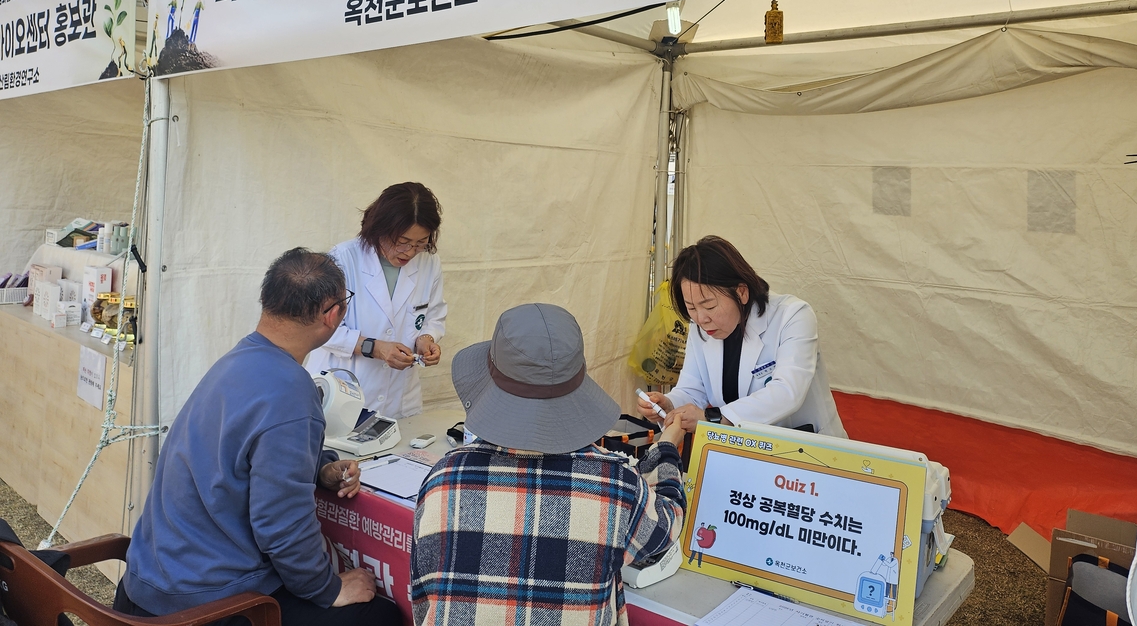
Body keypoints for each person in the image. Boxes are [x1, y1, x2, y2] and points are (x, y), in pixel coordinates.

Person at [116, 248, 398, 626]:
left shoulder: (237, 360)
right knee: (382, 615)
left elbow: (241, 453)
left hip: (148, 582)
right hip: (203, 603)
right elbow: (281, 527)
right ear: (333, 314)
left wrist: (318, 468)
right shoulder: (291, 390)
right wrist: (329, 589)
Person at [411, 303, 687, 626]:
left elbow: (423, 601)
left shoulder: (443, 478)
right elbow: (669, 525)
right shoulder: (616, 484)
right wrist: (666, 448)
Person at [636, 235, 847, 437]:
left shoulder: (793, 315)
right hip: (742, 447)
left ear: (741, 292)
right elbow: (692, 389)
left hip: (805, 446)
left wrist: (713, 419)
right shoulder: (700, 326)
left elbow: (787, 392)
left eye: (709, 306)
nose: (701, 318)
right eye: (691, 307)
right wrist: (669, 404)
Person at [306, 183, 446, 420]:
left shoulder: (429, 263)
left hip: (399, 396)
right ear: (381, 228)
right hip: (342, 390)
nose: (410, 252)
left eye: (420, 243)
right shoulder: (343, 259)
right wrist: (376, 348)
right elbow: (319, 327)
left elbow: (434, 314)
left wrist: (426, 339)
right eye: (402, 241)